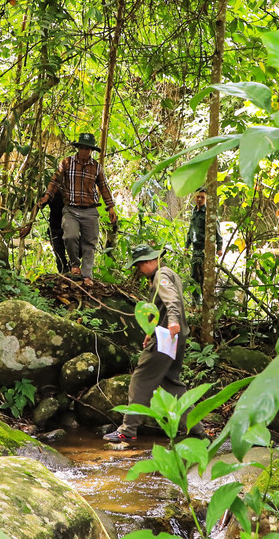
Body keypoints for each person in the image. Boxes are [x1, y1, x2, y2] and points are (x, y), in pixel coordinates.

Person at [105, 243, 201, 443]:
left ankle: (128, 430)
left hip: (166, 336)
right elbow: (162, 308)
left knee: (140, 379)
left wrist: (172, 321)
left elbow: (172, 302)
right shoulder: (168, 273)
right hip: (176, 336)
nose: (139, 271)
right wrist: (151, 331)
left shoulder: (161, 276)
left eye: (140, 265)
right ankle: (197, 427)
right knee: (170, 382)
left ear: (149, 261)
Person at [22, 132, 119, 283]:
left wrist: (110, 207)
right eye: (82, 148)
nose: (85, 151)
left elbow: (103, 186)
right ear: (78, 148)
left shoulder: (96, 167)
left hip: (89, 210)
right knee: (69, 236)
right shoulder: (66, 164)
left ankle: (87, 275)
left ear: (91, 150)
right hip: (69, 211)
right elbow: (55, 182)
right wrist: (46, 197)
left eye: (88, 149)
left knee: (89, 243)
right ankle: (72, 266)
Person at [185, 189, 221, 289]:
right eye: (198, 197)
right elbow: (190, 230)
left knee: (204, 278)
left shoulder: (209, 212)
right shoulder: (194, 211)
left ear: (206, 199)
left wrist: (219, 247)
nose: (200, 199)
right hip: (195, 250)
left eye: (202, 197)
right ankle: (195, 302)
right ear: (194, 197)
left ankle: (205, 302)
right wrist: (186, 246)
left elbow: (217, 230)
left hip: (205, 250)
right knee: (194, 277)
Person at [46, 185, 68, 273]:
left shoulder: (71, 192)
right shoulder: (50, 193)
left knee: (78, 251)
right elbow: (38, 204)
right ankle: (64, 275)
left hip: (70, 227)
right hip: (55, 229)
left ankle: (71, 269)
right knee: (60, 258)